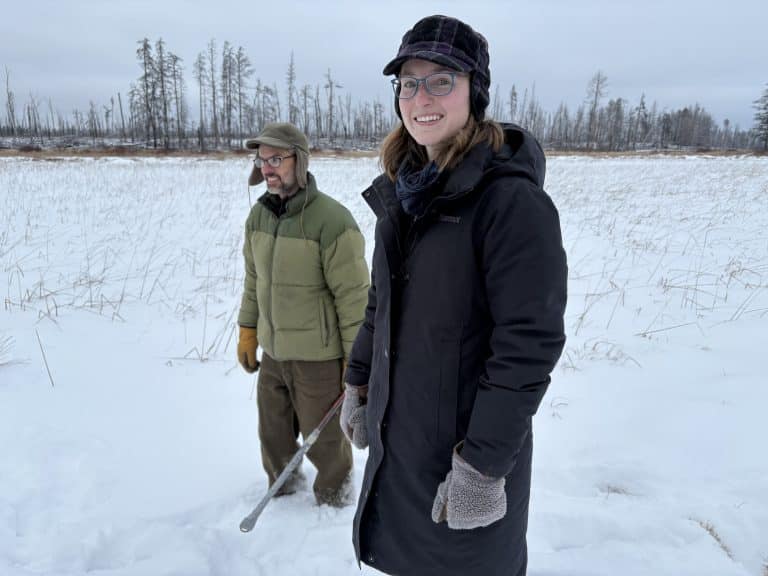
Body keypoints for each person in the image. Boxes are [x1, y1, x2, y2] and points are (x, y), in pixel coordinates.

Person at [340, 15, 567, 575]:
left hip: (462, 458)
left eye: (441, 80)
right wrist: (358, 380)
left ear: (475, 92)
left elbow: (528, 344)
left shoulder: (509, 204)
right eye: (409, 82)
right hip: (404, 445)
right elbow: (380, 305)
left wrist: (483, 468)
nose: (422, 96)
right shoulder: (403, 194)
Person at [237, 122, 370, 507]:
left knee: (325, 439)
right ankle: (281, 488)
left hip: (319, 359)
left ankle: (334, 498)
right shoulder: (258, 218)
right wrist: (248, 330)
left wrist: (355, 361)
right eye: (262, 160)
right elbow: (253, 282)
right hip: (274, 353)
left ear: (301, 159)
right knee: (273, 433)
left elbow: (353, 300)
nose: (268, 168)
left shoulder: (332, 221)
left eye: (277, 158)